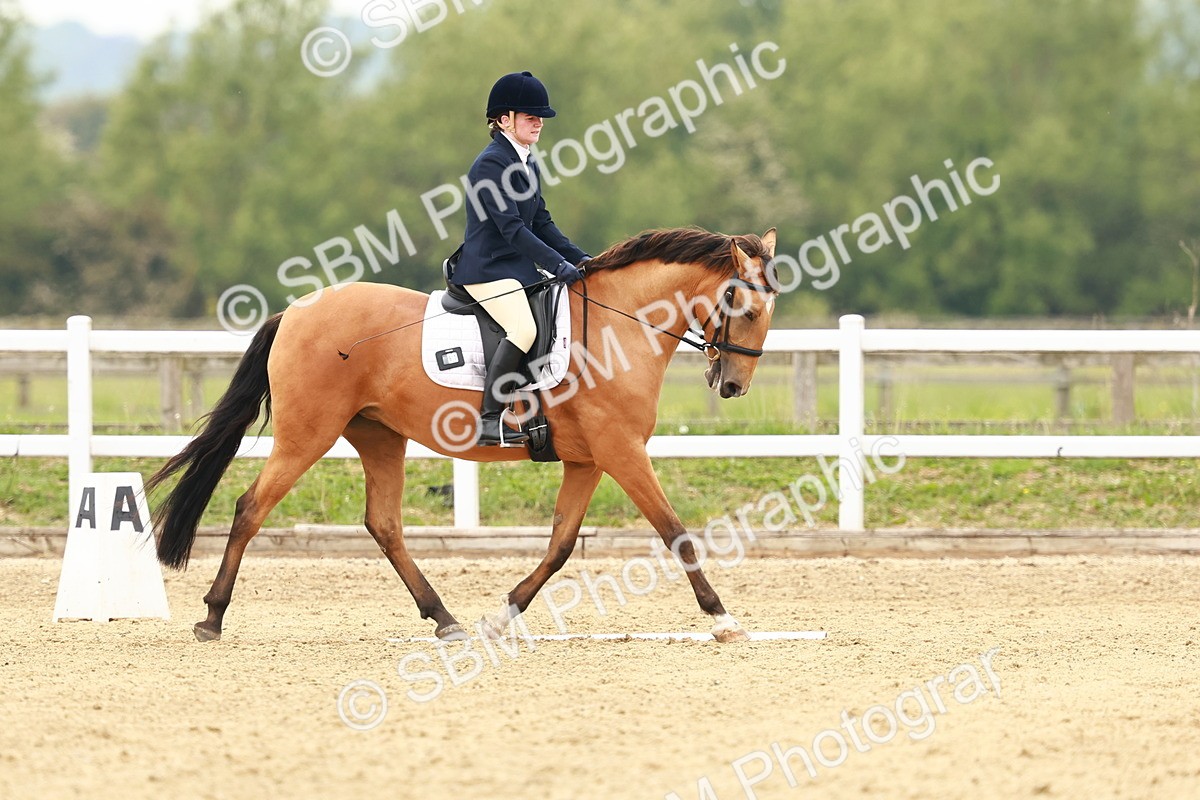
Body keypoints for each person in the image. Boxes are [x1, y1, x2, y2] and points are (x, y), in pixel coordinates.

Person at [452, 71, 590, 446]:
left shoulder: (528, 162)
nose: (538, 121)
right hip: (487, 269)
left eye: (539, 116)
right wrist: (557, 266)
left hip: (516, 268)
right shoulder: (491, 164)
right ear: (503, 120)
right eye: (529, 115)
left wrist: (581, 259)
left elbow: (541, 221)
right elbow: (512, 229)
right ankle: (488, 420)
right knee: (524, 329)